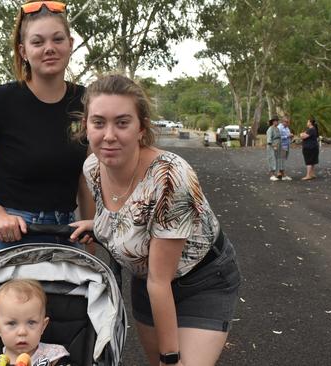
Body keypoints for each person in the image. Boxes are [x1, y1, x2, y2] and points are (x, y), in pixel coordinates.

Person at [70, 75, 241, 366]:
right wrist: (97, 226)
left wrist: (171, 357)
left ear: (141, 128)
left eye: (122, 123)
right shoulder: (93, 168)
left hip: (202, 278)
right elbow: (120, 215)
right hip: (146, 279)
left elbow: (160, 280)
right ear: (86, 126)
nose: (109, 135)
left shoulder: (170, 178)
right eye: (98, 122)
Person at [0, 1, 93, 254]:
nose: (49, 48)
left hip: (67, 232)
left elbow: (86, 175)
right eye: (37, 42)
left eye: (57, 39)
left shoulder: (86, 102)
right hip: (13, 232)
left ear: (70, 44)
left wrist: (89, 238)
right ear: (23, 51)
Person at [0, 279, 71, 366]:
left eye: (31, 323)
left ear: (43, 326)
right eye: (12, 323)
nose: (22, 332)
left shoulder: (53, 356)